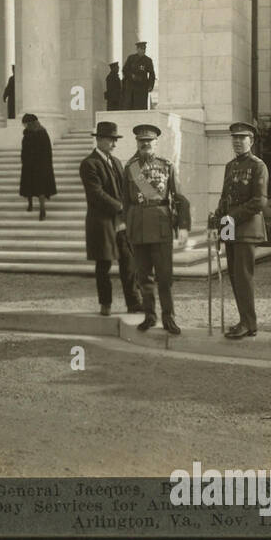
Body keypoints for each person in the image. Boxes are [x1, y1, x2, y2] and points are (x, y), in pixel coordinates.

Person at [123, 124, 190, 334]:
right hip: (138, 227)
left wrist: (184, 227)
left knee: (164, 276)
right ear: (137, 143)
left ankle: (168, 317)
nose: (145, 144)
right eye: (141, 141)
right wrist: (127, 224)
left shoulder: (167, 166)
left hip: (160, 226)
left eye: (149, 141)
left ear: (155, 143)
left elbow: (180, 199)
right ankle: (150, 316)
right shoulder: (130, 168)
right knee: (143, 276)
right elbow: (125, 200)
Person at [210, 121, 268, 339]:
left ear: (251, 141)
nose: (237, 142)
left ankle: (248, 322)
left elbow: (259, 202)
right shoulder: (230, 165)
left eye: (242, 138)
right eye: (234, 138)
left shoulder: (258, 166)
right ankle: (245, 321)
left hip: (245, 227)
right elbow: (225, 197)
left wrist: (230, 217)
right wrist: (218, 217)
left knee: (243, 276)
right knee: (234, 276)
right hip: (230, 227)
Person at [80, 121, 142, 316]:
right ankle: (105, 304)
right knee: (104, 264)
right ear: (98, 140)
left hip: (120, 221)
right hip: (102, 221)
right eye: (110, 140)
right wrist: (120, 206)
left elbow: (123, 187)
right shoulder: (89, 164)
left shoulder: (115, 162)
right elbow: (95, 193)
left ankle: (134, 302)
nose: (114, 144)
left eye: (115, 140)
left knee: (128, 262)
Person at [18, 113, 57, 220]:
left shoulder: (33, 133)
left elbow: (27, 150)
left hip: (34, 165)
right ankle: (37, 207)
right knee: (38, 188)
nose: (24, 125)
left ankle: (36, 208)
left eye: (25, 123)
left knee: (34, 187)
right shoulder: (39, 132)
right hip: (37, 165)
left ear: (29, 123)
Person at [122, 41, 156, 110]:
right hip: (131, 88)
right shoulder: (131, 58)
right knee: (130, 106)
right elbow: (125, 70)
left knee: (141, 107)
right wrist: (131, 76)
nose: (143, 51)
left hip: (142, 88)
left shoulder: (148, 60)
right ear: (137, 49)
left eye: (144, 49)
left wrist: (150, 85)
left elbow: (152, 74)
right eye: (141, 49)